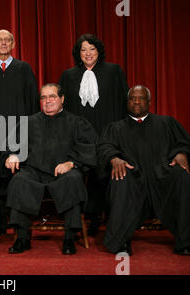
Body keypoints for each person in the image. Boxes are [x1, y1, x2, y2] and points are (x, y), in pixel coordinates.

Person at [98, 85, 190, 256]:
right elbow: (103, 148)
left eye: (141, 98)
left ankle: (184, 241)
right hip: (132, 177)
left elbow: (186, 144)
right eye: (132, 98)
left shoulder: (166, 123)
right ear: (127, 102)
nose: (136, 101)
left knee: (182, 177)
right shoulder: (115, 127)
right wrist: (114, 158)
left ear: (149, 102)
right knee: (120, 178)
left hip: (162, 176)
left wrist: (182, 153)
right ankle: (122, 240)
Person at [3, 84, 97, 255]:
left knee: (73, 179)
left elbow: (88, 148)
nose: (48, 101)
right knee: (19, 180)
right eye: (44, 97)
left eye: (52, 96)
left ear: (62, 99)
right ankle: (22, 238)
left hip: (63, 173)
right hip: (34, 172)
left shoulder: (76, 122)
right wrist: (12, 155)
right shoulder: (29, 122)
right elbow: (12, 145)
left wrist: (71, 163)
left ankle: (69, 237)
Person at [59, 33, 129, 235]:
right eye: (83, 49)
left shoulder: (113, 71)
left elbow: (123, 102)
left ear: (99, 51)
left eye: (92, 49)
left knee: (103, 175)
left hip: (106, 133)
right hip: (79, 136)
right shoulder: (68, 75)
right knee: (79, 175)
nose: (88, 53)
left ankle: (101, 217)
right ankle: (82, 218)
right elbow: (64, 109)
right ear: (78, 53)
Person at [0, 29, 40, 237]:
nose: (3, 43)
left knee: (18, 175)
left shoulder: (24, 69)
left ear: (13, 44)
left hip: (19, 133)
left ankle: (19, 221)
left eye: (7, 40)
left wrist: (30, 133)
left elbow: (32, 104)